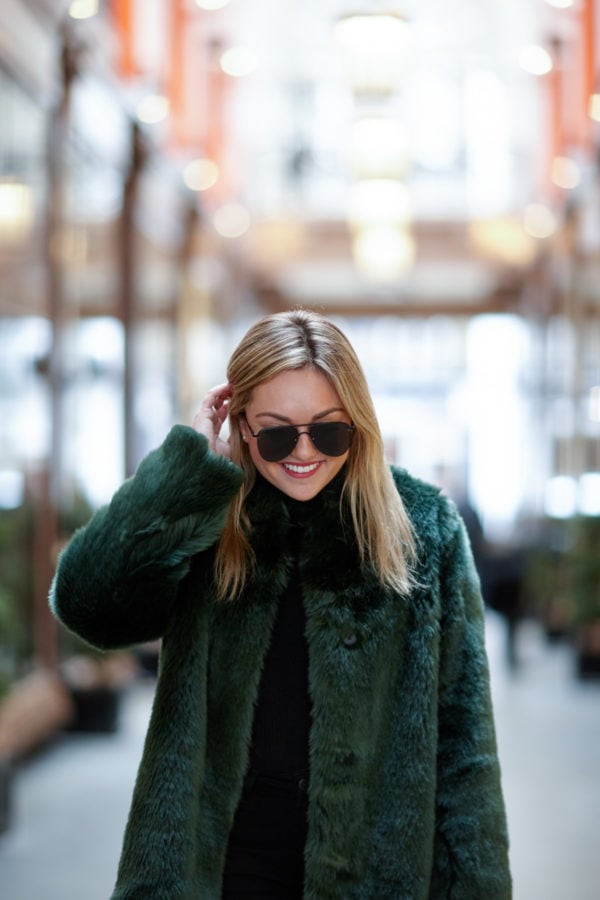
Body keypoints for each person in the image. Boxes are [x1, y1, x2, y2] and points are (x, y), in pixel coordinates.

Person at [49, 309, 511, 899]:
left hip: (374, 865)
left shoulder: (424, 530)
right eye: (275, 432)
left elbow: (465, 750)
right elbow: (89, 606)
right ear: (240, 426)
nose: (303, 452)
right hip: (225, 859)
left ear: (359, 425)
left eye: (328, 431)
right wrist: (184, 471)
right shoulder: (209, 519)